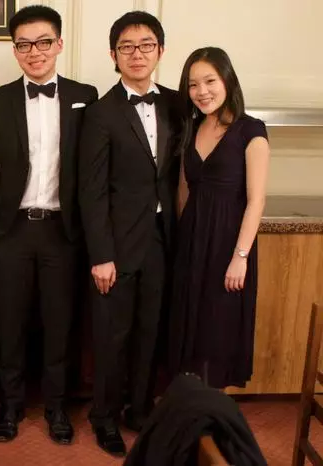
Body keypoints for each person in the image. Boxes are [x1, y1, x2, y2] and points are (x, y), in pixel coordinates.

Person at [0, 5, 98, 445]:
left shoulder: (85, 96)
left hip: (62, 231)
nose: (35, 52)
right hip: (10, 231)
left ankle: (56, 407)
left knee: (59, 323)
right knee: (9, 324)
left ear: (59, 44)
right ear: (14, 50)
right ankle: (10, 406)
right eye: (24, 44)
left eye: (43, 42)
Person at [78, 11, 182, 456]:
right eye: (126, 47)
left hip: (162, 238)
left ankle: (140, 409)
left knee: (150, 331)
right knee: (111, 336)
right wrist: (101, 255)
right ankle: (104, 416)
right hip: (117, 245)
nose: (136, 54)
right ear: (113, 55)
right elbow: (92, 191)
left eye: (145, 45)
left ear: (160, 50)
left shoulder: (178, 103)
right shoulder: (101, 113)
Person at [168, 47, 270, 389]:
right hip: (192, 240)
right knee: (189, 328)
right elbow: (184, 190)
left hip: (228, 244)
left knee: (218, 331)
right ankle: (189, 409)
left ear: (227, 80)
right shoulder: (192, 126)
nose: (202, 91)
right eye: (193, 84)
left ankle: (212, 413)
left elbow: (256, 201)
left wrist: (240, 257)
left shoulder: (250, 130)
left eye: (209, 81)